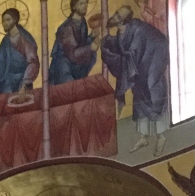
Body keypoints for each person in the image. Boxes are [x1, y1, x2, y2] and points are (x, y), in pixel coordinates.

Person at [102, 4, 170, 155]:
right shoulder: (121, 32)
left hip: (151, 64)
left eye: (118, 16)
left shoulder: (138, 30)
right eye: (116, 13)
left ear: (123, 21)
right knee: (139, 99)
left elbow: (133, 53)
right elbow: (123, 51)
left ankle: (161, 137)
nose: (114, 17)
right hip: (139, 69)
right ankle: (143, 137)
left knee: (152, 96)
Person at [0, 8, 39, 95]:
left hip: (23, 79)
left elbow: (32, 62)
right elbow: (1, 63)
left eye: (8, 19)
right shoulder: (5, 41)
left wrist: (25, 83)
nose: (4, 23)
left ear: (15, 20)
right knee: (5, 100)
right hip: (8, 81)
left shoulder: (24, 38)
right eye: (3, 20)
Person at [49, 0, 99, 86]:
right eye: (81, 3)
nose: (85, 5)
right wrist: (90, 47)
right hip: (64, 68)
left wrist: (91, 36)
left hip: (75, 64)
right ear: (74, 7)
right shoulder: (68, 28)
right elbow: (72, 54)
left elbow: (80, 44)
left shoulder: (82, 22)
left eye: (86, 3)